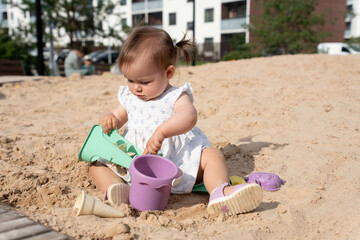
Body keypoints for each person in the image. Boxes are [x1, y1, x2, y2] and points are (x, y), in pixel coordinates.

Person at [89, 26, 263, 215]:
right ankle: (116, 189)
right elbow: (116, 117)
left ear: (168, 73)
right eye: (130, 80)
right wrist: (107, 118)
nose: (136, 88)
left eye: (145, 82)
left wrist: (162, 132)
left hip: (180, 163)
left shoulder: (175, 95)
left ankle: (219, 192)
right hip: (135, 163)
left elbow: (189, 116)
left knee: (213, 156)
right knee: (96, 163)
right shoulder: (130, 99)